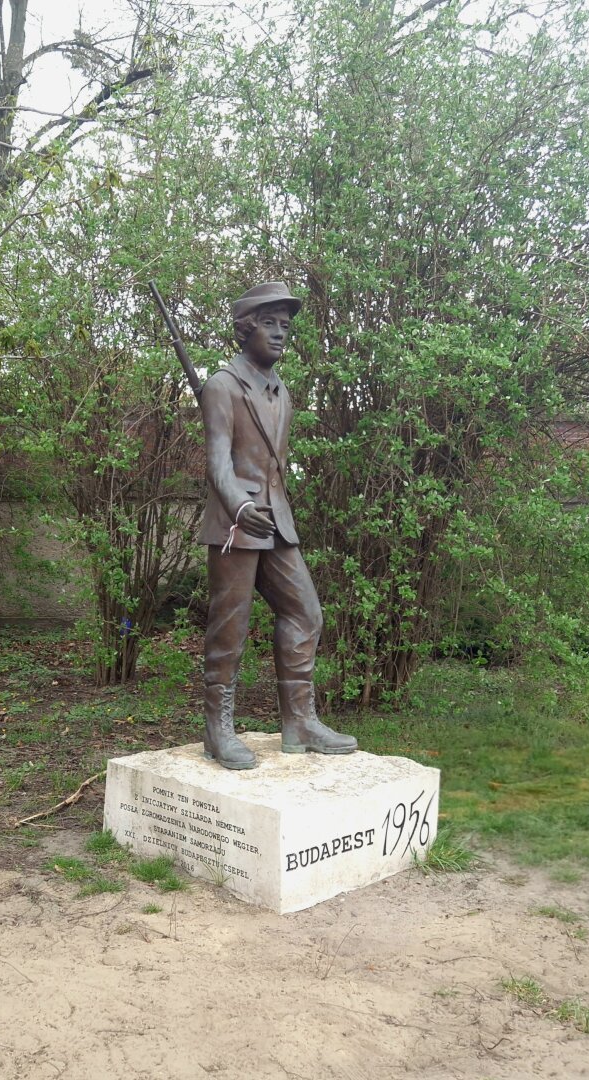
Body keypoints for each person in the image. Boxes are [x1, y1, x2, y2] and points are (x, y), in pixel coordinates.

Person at [197, 281, 357, 770]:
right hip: (235, 524)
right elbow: (219, 462)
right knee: (231, 628)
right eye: (270, 323)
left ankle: (299, 723)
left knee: (306, 613)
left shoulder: (280, 390)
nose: (281, 333)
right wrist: (240, 506)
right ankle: (217, 729)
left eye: (286, 326)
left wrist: (266, 506)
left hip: (277, 521)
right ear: (246, 328)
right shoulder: (223, 385)